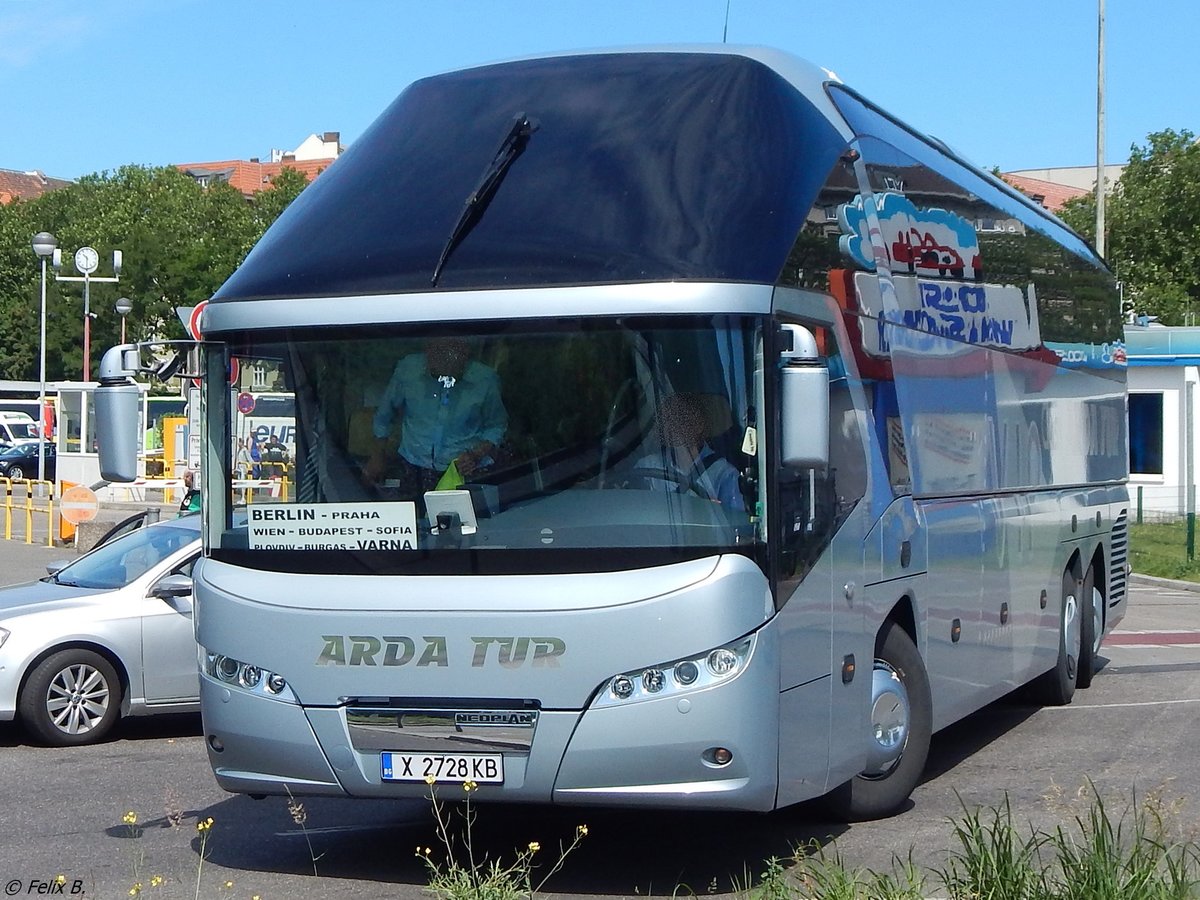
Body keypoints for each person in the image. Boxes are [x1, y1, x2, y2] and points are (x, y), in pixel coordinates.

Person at [366, 337, 507, 496]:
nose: (446, 383)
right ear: (428, 354)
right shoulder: (408, 370)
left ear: (465, 356)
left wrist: (476, 454)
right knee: (414, 517)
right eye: (439, 376)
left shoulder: (485, 380)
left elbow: (496, 426)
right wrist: (377, 455)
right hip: (414, 467)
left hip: (464, 469)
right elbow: (385, 415)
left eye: (453, 377)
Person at [634, 392, 745, 512]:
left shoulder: (724, 474)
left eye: (681, 419)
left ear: (699, 425)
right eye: (667, 420)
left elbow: (734, 525)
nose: (673, 427)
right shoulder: (646, 468)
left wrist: (716, 513)